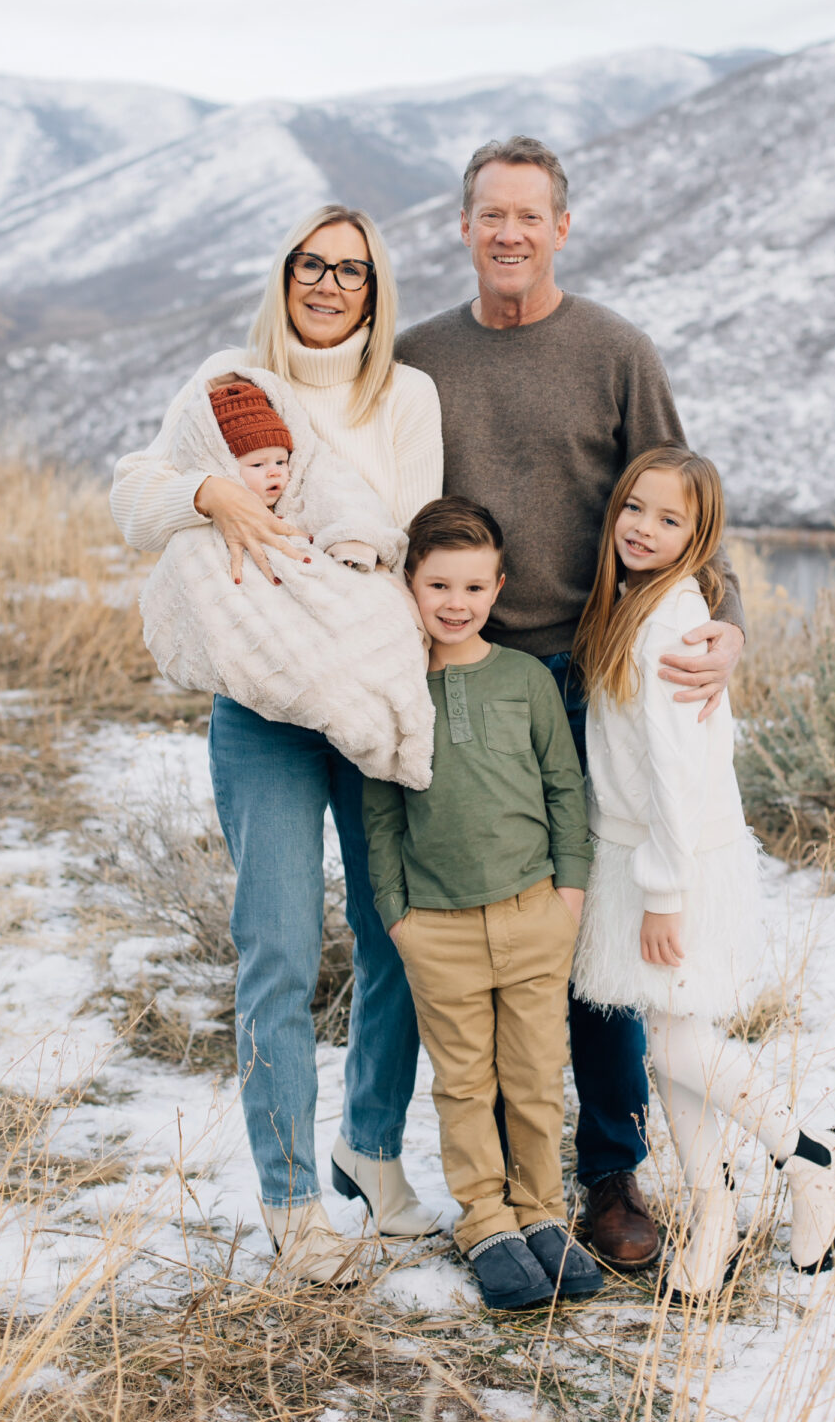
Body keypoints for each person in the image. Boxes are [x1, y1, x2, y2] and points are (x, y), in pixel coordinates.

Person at [395, 136, 747, 1270]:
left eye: (529, 216)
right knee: (465, 927)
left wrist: (725, 620)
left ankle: (609, 1177)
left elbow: (680, 496)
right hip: (462, 679)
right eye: (490, 215)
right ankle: (501, 1190)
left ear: (560, 227)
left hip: (582, 675)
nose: (509, 233)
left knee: (596, 939)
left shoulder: (614, 352)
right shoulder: (415, 361)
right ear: (463, 227)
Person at [110, 206, 443, 1284]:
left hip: (361, 683)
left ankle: (374, 1151)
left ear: (375, 286)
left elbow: (422, 529)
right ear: (286, 274)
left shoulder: (408, 395)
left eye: (352, 269)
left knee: (399, 934)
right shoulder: (229, 383)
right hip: (262, 699)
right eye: (313, 265)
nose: (331, 283)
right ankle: (295, 1201)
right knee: (280, 946)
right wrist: (206, 490)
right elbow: (133, 494)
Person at [571, 446, 835, 1301]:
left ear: (700, 538)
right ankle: (716, 1216)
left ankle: (811, 1156)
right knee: (668, 1046)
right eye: (636, 509)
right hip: (640, 849)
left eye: (671, 520)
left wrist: (661, 894)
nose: (645, 529)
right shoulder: (632, 600)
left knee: (682, 1040)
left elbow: (676, 774)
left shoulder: (668, 620)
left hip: (672, 857)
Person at [363, 498, 603, 1310]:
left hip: (534, 913)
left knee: (535, 1077)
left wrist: (569, 890)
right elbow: (381, 811)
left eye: (473, 585)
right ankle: (486, 1223)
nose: (456, 603)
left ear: (498, 588)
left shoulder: (525, 680)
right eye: (438, 585)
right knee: (465, 1084)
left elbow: (564, 787)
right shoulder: (395, 689)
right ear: (411, 585)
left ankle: (539, 1214)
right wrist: (399, 915)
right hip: (438, 929)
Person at [137, 372, 434, 788]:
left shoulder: (303, 499)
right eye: (257, 465)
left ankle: (376, 723)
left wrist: (353, 549)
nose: (275, 473)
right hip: (264, 707)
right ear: (223, 466)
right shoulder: (201, 532)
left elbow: (349, 508)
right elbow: (196, 600)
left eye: (280, 461)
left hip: (340, 654)